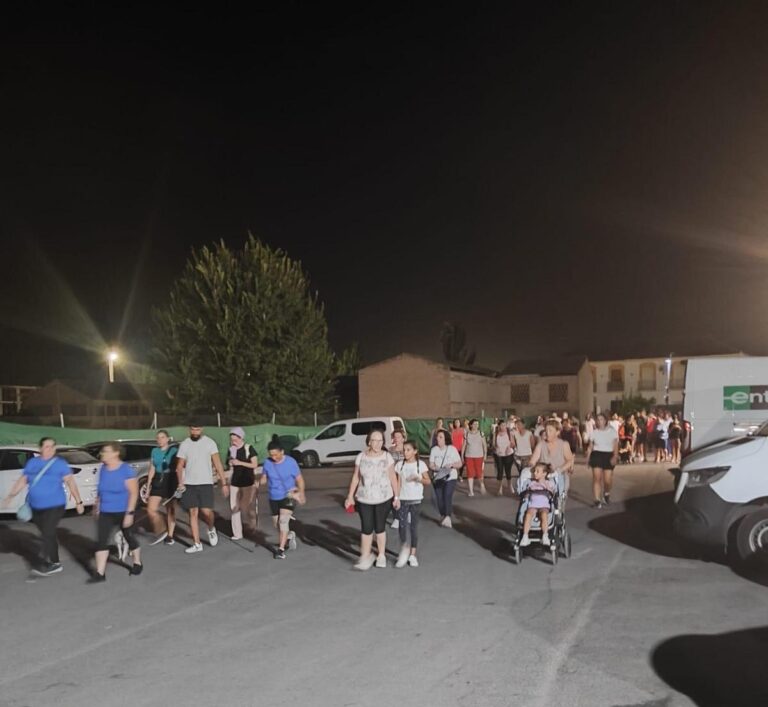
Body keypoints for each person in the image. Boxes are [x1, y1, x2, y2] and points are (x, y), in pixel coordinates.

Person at [1, 437, 84, 576]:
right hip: (35, 506)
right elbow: (23, 480)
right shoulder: (33, 463)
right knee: (48, 534)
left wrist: (79, 502)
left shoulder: (59, 464)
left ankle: (47, 563)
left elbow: (71, 482)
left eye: (52, 447)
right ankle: (54, 561)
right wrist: (11, 496)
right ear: (40, 449)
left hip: (55, 505)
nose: (50, 449)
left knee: (47, 533)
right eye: (47, 447)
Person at [345, 429, 399, 569]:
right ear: (369, 441)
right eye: (374, 440)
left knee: (380, 527)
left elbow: (393, 477)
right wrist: (350, 496)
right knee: (366, 528)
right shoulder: (361, 457)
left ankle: (381, 555)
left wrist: (397, 496)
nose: (377, 443)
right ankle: (366, 556)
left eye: (380, 440)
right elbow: (356, 477)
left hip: (383, 498)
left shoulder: (387, 457)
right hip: (364, 498)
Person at [89, 442, 141, 582]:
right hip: (106, 511)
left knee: (129, 537)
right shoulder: (103, 469)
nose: (102, 454)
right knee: (101, 541)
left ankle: (137, 563)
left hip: (123, 511)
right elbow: (101, 489)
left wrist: (129, 514)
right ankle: (100, 573)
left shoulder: (126, 470)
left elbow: (134, 493)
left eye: (105, 451)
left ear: (115, 453)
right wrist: (97, 505)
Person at [176, 423, 229, 554]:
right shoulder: (185, 444)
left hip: (206, 483)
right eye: (193, 429)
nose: (195, 432)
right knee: (193, 513)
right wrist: (180, 482)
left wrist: (224, 483)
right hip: (189, 484)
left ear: (202, 429)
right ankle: (197, 543)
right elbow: (179, 465)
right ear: (189, 429)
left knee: (206, 512)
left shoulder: (210, 443)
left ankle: (211, 528)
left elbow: (217, 463)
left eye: (197, 429)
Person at [261, 435, 305, 559]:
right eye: (271, 455)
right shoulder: (267, 463)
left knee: (283, 521)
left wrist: (301, 493)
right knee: (277, 525)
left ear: (282, 451)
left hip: (289, 494)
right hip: (274, 496)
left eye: (276, 454)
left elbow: (300, 480)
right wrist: (259, 482)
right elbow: (264, 477)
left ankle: (280, 550)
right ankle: (290, 535)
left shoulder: (291, 462)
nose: (273, 457)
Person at [394, 441, 430, 568]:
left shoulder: (421, 464)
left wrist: (418, 478)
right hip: (403, 499)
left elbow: (428, 481)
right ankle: (404, 548)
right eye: (404, 450)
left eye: (408, 450)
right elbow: (398, 482)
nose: (405, 452)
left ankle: (413, 555)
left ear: (415, 451)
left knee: (413, 527)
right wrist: (396, 497)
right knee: (402, 526)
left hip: (415, 499)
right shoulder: (400, 465)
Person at [145, 430, 179, 545]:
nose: (160, 440)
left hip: (170, 479)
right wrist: (148, 485)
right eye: (158, 438)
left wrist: (180, 483)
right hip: (158, 479)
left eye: (162, 437)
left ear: (168, 439)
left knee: (170, 509)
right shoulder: (154, 451)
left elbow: (179, 467)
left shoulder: (173, 451)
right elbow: (152, 468)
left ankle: (170, 535)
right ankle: (162, 530)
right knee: (151, 510)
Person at [226, 427, 260, 541]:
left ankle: (252, 526)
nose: (233, 442)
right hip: (235, 482)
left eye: (235, 439)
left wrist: (240, 462)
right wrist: (231, 462)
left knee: (246, 507)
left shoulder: (249, 448)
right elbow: (229, 463)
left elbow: (254, 464)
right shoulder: (231, 449)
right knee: (234, 508)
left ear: (241, 438)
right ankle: (237, 533)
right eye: (232, 440)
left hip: (248, 482)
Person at [528, 419, 574, 495]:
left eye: (550, 430)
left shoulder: (564, 444)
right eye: (546, 430)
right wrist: (531, 466)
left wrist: (559, 470)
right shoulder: (541, 445)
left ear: (557, 432)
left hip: (559, 477)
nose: (547, 433)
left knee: (558, 499)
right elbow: (533, 461)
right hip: (544, 478)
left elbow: (570, 460)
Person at [428, 429, 462, 527]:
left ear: (445, 439)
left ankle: (448, 517)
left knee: (447, 495)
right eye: (437, 437)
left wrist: (451, 465)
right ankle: (443, 515)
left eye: (440, 437)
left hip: (450, 476)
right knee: (439, 498)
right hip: (438, 477)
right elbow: (431, 464)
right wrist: (436, 468)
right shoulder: (434, 450)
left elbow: (459, 464)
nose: (438, 439)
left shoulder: (452, 449)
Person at [586, 412, 619, 508]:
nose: (599, 421)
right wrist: (588, 458)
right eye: (598, 420)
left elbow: (616, 445)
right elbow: (590, 446)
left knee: (607, 480)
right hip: (597, 455)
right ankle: (597, 500)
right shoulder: (594, 432)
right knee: (597, 478)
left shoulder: (612, 431)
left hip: (608, 454)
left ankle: (606, 493)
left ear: (605, 421)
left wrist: (615, 456)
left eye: (601, 419)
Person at [520, 462, 556, 547]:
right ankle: (525, 536)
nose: (535, 473)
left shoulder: (548, 483)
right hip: (533, 504)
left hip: (544, 505)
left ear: (544, 473)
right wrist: (528, 491)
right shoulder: (532, 483)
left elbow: (553, 493)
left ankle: (545, 535)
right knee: (528, 515)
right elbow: (526, 495)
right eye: (534, 471)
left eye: (537, 471)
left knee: (544, 515)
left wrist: (547, 488)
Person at [462, 419, 487, 496]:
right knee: (470, 473)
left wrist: (485, 454)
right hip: (469, 456)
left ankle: (482, 485)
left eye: (477, 424)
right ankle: (471, 491)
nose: (476, 426)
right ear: (471, 425)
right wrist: (462, 456)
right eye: (475, 424)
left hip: (479, 456)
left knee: (479, 473)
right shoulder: (467, 434)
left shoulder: (481, 433)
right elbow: (464, 446)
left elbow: (484, 445)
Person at [492, 420, 514, 495]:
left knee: (508, 471)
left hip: (508, 454)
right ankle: (499, 488)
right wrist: (496, 448)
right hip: (499, 455)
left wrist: (509, 447)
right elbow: (493, 444)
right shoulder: (495, 433)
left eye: (505, 425)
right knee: (500, 471)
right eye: (502, 425)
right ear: (499, 426)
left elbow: (513, 443)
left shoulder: (509, 432)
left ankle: (510, 485)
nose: (503, 427)